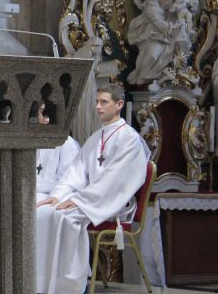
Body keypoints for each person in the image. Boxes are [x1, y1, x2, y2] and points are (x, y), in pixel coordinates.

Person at [35, 83, 150, 294]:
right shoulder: (97, 137)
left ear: (119, 105)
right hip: (92, 197)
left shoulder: (129, 139)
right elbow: (77, 172)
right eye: (97, 102)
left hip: (114, 202)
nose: (98, 106)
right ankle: (43, 283)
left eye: (104, 102)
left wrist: (79, 200)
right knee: (47, 210)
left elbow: (114, 180)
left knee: (66, 218)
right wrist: (58, 194)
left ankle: (70, 285)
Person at [35, 102, 80, 202]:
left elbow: (69, 179)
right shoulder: (30, 140)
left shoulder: (66, 143)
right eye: (38, 113)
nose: (42, 118)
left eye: (42, 112)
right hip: (34, 192)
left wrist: (55, 194)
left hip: (56, 195)